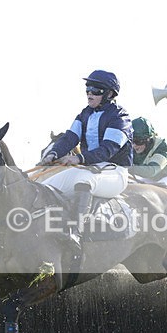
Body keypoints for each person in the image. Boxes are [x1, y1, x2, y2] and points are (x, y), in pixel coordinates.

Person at [40, 70, 133, 249]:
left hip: (115, 172)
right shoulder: (84, 114)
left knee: (84, 181)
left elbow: (108, 149)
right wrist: (53, 154)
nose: (90, 93)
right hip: (88, 169)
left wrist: (79, 158)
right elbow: (69, 138)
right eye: (88, 89)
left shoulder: (120, 117)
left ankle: (76, 233)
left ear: (109, 94)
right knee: (44, 187)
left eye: (96, 90)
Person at [129, 117, 167, 197]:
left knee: (158, 191)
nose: (134, 145)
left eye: (138, 141)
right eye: (131, 141)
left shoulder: (163, 147)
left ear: (149, 139)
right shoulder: (132, 148)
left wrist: (127, 168)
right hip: (155, 177)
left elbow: (151, 171)